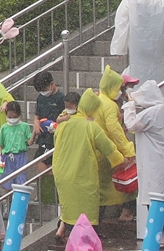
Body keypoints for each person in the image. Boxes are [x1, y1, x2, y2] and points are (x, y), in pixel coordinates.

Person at [53, 90, 125, 238]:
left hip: (63, 175)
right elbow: (109, 148)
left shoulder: (63, 125)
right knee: (86, 217)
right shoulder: (91, 127)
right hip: (84, 178)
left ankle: (68, 239)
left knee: (69, 212)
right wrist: (122, 161)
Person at [94, 66, 137, 218]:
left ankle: (96, 224)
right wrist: (127, 150)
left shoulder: (99, 100)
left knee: (100, 193)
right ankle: (127, 213)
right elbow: (114, 130)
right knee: (125, 185)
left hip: (98, 153)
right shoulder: (110, 105)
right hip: (109, 154)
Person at [124, 80, 164, 239]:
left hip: (152, 162)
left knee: (153, 199)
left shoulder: (154, 112)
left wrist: (129, 106)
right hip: (157, 160)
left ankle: (160, 236)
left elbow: (131, 124)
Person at [113, 0, 164, 83]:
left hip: (137, 45)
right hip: (158, 44)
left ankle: (138, 95)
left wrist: (119, 48)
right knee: (158, 71)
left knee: (139, 71)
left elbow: (121, 24)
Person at [0, 101, 33, 182]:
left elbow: (29, 142)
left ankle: (17, 195)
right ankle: (8, 194)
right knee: (5, 180)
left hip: (20, 156)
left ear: (19, 114)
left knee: (21, 179)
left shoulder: (25, 126)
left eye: (14, 117)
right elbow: (0, 143)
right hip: (5, 157)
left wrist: (34, 133)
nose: (12, 119)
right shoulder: (4, 127)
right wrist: (0, 155)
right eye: (9, 117)